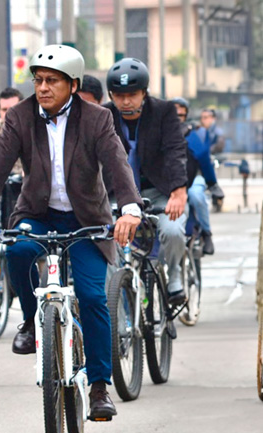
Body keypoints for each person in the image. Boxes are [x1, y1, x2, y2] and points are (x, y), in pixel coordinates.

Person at [0, 44, 143, 420]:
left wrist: (130, 209)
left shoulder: (97, 118)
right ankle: (32, 320)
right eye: (38, 80)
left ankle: (99, 387)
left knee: (93, 297)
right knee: (17, 251)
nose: (43, 88)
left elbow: (117, 164)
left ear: (73, 84)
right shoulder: (19, 116)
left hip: (86, 219)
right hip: (37, 213)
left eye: (52, 81)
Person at [104, 58, 189, 310]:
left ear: (144, 92)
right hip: (118, 193)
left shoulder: (163, 111)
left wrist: (178, 191)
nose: (125, 102)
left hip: (158, 190)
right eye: (119, 96)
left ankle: (174, 273)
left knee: (173, 231)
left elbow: (175, 150)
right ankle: (115, 306)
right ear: (111, 95)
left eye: (132, 95)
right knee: (103, 239)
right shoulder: (104, 115)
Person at [171, 97, 224, 254]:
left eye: (181, 114)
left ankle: (207, 233)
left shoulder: (196, 132)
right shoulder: (161, 131)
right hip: (169, 179)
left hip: (194, 176)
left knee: (196, 195)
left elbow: (203, 156)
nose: (178, 117)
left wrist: (212, 183)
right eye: (174, 113)